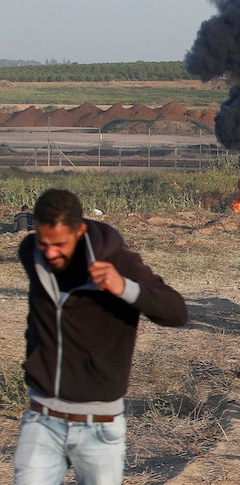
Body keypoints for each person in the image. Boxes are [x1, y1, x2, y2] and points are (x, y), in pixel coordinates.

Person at [14, 189, 188, 484]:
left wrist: (124, 287)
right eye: (44, 243)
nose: (50, 253)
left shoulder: (120, 263)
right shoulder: (32, 254)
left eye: (59, 244)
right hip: (41, 419)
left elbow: (176, 312)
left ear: (80, 230)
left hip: (99, 427)